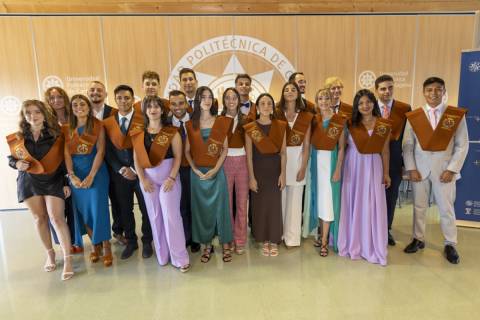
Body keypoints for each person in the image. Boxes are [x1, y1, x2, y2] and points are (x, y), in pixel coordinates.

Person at [403, 77, 468, 264]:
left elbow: (462, 145)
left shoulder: (454, 115)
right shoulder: (415, 116)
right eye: (429, 90)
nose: (433, 93)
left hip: (444, 171)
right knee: (419, 207)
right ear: (423, 92)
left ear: (444, 91)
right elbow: (408, 145)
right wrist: (411, 168)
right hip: (419, 170)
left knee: (446, 208)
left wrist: (452, 169)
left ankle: (450, 243)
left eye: (438, 90)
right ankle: (418, 238)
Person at [6, 99, 74, 280]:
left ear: (44, 114)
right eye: (28, 113)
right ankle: (50, 254)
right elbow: (11, 158)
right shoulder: (18, 137)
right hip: (28, 181)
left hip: (53, 180)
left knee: (57, 218)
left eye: (37, 112)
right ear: (24, 116)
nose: (33, 116)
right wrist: (15, 163)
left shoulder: (56, 134)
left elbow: (62, 160)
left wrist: (66, 181)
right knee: (39, 219)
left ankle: (67, 259)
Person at [131, 95, 190, 272]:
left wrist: (172, 177)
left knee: (171, 216)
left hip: (168, 178)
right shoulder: (139, 134)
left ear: (162, 110)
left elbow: (178, 157)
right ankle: (163, 254)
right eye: (150, 107)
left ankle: (180, 257)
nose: (153, 109)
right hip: (148, 180)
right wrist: (142, 180)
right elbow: (136, 160)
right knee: (155, 216)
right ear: (145, 111)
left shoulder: (171, 131)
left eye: (157, 106)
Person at [338, 89, 392, 266]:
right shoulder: (350, 124)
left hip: (374, 166)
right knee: (353, 203)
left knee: (372, 205)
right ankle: (353, 243)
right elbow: (341, 148)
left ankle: (371, 245)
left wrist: (385, 173)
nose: (365, 106)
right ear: (356, 106)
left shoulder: (383, 124)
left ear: (373, 103)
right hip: (353, 166)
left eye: (368, 102)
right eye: (360, 103)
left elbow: (385, 151)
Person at [103, 84, 153, 260]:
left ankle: (147, 240)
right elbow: (107, 149)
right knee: (125, 209)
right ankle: (131, 241)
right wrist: (121, 168)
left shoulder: (143, 119)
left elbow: (147, 145)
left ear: (133, 99)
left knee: (146, 208)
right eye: (120, 98)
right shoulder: (108, 122)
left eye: (127, 98)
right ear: (115, 100)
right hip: (120, 174)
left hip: (141, 172)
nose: (123, 101)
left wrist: (133, 168)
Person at [184, 86, 233, 263]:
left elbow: (225, 149)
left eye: (210, 97)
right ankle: (207, 245)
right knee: (202, 211)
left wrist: (215, 169)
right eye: (203, 97)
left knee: (221, 208)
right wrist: (195, 169)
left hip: (216, 171)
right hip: (197, 174)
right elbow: (187, 151)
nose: (207, 100)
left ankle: (226, 244)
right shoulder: (190, 124)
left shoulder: (221, 121)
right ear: (197, 100)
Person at [63, 94, 112, 267]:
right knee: (83, 210)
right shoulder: (66, 128)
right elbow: (66, 154)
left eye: (82, 104)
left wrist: (91, 175)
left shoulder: (98, 125)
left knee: (99, 209)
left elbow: (101, 151)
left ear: (88, 106)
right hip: (76, 173)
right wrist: (71, 175)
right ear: (71, 108)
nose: (79, 107)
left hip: (96, 172)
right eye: (75, 105)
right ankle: (94, 244)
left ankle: (106, 245)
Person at [303, 88, 346, 256]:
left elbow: (342, 148)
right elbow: (307, 145)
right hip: (316, 163)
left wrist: (338, 169)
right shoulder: (313, 120)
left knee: (328, 201)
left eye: (326, 98)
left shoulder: (339, 120)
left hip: (331, 163)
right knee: (319, 200)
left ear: (331, 100)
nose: (324, 101)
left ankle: (326, 240)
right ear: (316, 101)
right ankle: (321, 235)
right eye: (320, 98)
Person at [244, 93, 287, 256]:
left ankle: (274, 238)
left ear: (273, 107)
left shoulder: (280, 126)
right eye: (262, 103)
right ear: (257, 107)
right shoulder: (251, 127)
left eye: (269, 103)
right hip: (258, 171)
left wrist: (283, 174)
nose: (266, 106)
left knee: (274, 206)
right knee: (260, 206)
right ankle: (264, 239)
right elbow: (248, 155)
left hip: (274, 170)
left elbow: (283, 153)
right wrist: (251, 177)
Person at [87, 81, 126, 245]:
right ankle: (96, 236)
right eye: (92, 90)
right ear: (88, 93)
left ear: (105, 94)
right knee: (95, 203)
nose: (96, 92)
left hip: (113, 165)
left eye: (99, 90)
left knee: (117, 200)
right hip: (89, 165)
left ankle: (118, 231)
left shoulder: (115, 113)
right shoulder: (81, 113)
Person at [374, 75, 411, 246]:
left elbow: (407, 138)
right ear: (377, 90)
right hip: (372, 159)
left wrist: (405, 164)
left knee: (391, 196)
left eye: (390, 87)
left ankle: (386, 229)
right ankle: (371, 227)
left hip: (395, 160)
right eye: (382, 88)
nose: (386, 91)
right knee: (372, 195)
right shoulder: (369, 106)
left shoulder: (404, 108)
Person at [275, 82, 312, 248]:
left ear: (298, 93)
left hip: (297, 159)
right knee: (280, 200)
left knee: (295, 201)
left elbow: (307, 144)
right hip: (279, 160)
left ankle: (292, 238)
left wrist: (303, 166)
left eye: (293, 90)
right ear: (282, 94)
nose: (289, 92)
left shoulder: (305, 116)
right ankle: (279, 234)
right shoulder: (276, 113)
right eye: (286, 90)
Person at [45, 87, 82, 254]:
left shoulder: (74, 116)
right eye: (51, 98)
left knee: (72, 205)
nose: (56, 101)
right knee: (55, 210)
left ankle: (75, 240)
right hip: (53, 169)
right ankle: (62, 242)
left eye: (59, 97)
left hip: (74, 165)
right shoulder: (45, 120)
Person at [169, 90, 200, 253]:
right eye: (173, 104)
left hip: (195, 168)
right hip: (175, 170)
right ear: (169, 105)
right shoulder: (165, 123)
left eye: (181, 103)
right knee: (180, 205)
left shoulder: (196, 120)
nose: (178, 107)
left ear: (187, 104)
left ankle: (196, 237)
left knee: (194, 204)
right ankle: (185, 236)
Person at [222, 88, 249, 254]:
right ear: (224, 100)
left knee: (241, 203)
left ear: (239, 100)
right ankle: (228, 237)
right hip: (225, 162)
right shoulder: (219, 120)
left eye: (234, 98)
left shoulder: (246, 120)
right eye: (228, 98)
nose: (231, 100)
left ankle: (240, 239)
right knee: (227, 204)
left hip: (242, 162)